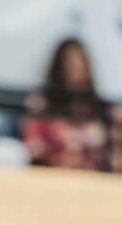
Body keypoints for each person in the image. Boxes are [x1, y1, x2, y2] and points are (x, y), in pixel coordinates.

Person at [21, 38, 108, 171]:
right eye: (70, 65)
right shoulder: (41, 104)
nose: (75, 72)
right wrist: (58, 144)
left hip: (88, 179)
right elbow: (32, 148)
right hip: (49, 175)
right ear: (59, 67)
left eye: (79, 66)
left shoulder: (98, 109)